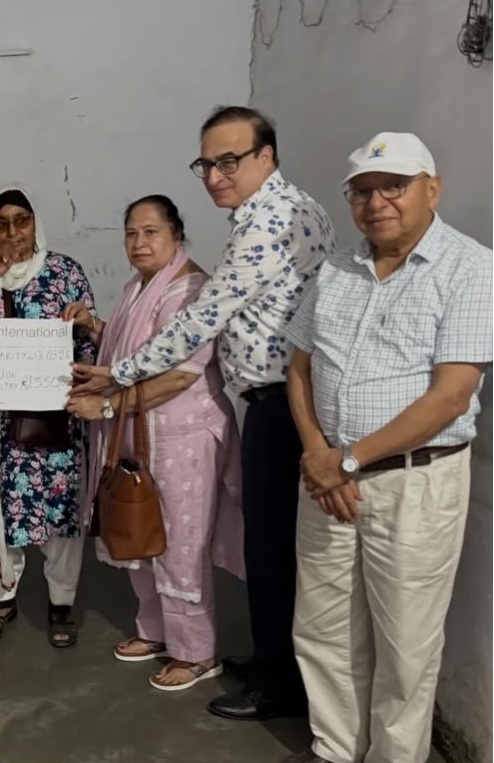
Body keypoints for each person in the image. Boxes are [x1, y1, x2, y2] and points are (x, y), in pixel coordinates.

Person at [70, 106, 334, 719]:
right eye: (206, 164)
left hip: (274, 405)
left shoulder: (267, 222)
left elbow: (200, 323)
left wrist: (117, 380)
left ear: (266, 156)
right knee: (271, 552)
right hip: (269, 402)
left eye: (229, 160)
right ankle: (272, 664)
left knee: (257, 553)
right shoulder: (278, 212)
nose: (215, 174)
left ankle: (277, 684)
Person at [280, 133, 492, 763]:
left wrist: (346, 459)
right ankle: (335, 749)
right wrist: (321, 454)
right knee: (324, 630)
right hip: (327, 479)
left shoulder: (472, 267)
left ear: (432, 188)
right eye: (363, 191)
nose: (377, 203)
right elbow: (299, 367)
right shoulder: (338, 270)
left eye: (393, 186)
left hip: (412, 484)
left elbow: (451, 396)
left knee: (405, 646)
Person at [65, 195, 244, 690]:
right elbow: (133, 352)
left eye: (151, 232)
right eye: (131, 233)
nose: (139, 243)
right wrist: (94, 327)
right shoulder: (138, 286)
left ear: (175, 234)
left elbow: (179, 377)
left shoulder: (191, 290)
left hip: (182, 435)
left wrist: (104, 405)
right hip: (139, 432)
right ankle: (157, 632)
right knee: (137, 529)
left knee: (180, 545)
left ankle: (196, 652)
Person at [0, 182, 96, 647]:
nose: (12, 232)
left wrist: (85, 323)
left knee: (60, 508)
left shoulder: (65, 272)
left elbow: (86, 344)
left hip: (53, 417)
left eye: (21, 221)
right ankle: (2, 597)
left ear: (36, 224)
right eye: (1, 223)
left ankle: (61, 603)